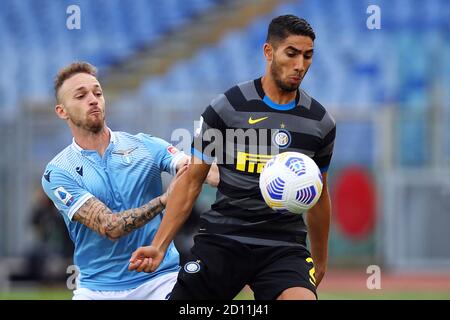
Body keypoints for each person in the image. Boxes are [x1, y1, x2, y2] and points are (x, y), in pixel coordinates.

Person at [129, 15, 336, 300]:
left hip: (284, 246)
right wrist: (160, 245)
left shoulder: (320, 123)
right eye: (292, 54)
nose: (300, 65)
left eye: (308, 56)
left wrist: (321, 260)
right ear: (268, 52)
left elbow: (319, 196)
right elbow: (192, 181)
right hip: (223, 239)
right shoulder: (226, 107)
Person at [41, 62, 218, 300]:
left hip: (159, 280)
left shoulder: (143, 145)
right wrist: (166, 199)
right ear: (62, 111)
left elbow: (197, 169)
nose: (93, 100)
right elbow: (110, 227)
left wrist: (247, 174)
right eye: (81, 95)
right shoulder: (59, 172)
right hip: (96, 290)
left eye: (97, 93)